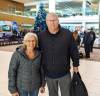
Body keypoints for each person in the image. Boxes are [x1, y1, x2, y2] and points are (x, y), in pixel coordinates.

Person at [38, 13, 80, 96]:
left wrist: (76, 65)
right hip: (49, 74)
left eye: (54, 20)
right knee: (53, 94)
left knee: (66, 94)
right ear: (46, 22)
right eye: (50, 20)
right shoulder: (41, 36)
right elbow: (36, 51)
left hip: (64, 73)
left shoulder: (67, 34)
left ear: (58, 21)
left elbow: (74, 51)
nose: (52, 23)